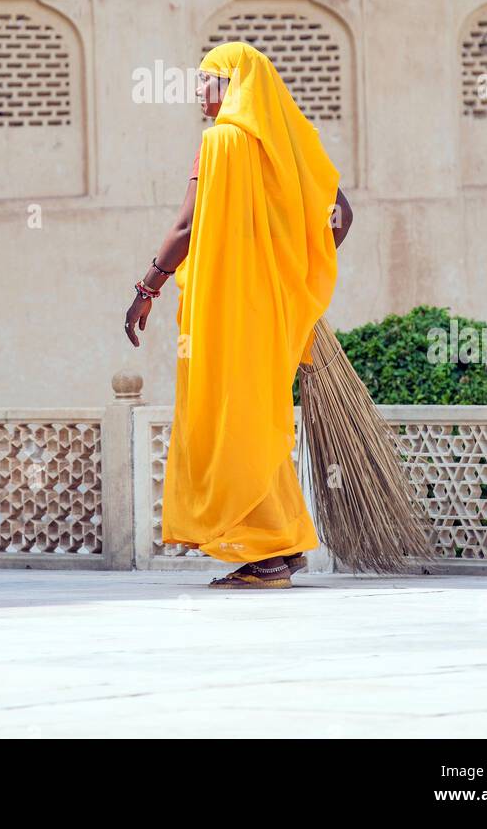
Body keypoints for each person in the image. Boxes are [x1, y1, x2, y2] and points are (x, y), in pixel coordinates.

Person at [124, 41, 352, 589]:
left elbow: (184, 228)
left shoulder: (219, 143)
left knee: (230, 423)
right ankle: (283, 544)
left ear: (233, 87)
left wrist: (146, 288)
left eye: (208, 80)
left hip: (227, 314)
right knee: (259, 419)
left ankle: (268, 554)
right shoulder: (292, 144)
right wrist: (286, 275)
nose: (199, 92)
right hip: (270, 313)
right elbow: (340, 216)